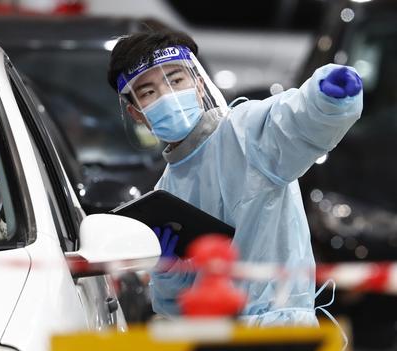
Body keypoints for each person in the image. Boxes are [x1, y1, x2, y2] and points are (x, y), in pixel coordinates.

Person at [106, 30, 363, 326]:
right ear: (136, 113)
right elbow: (175, 310)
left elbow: (293, 119)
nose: (167, 97)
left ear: (199, 83)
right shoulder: (164, 194)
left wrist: (325, 97)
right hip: (214, 342)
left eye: (176, 80)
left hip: (280, 334)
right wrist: (169, 271)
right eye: (148, 92)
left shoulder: (246, 133)